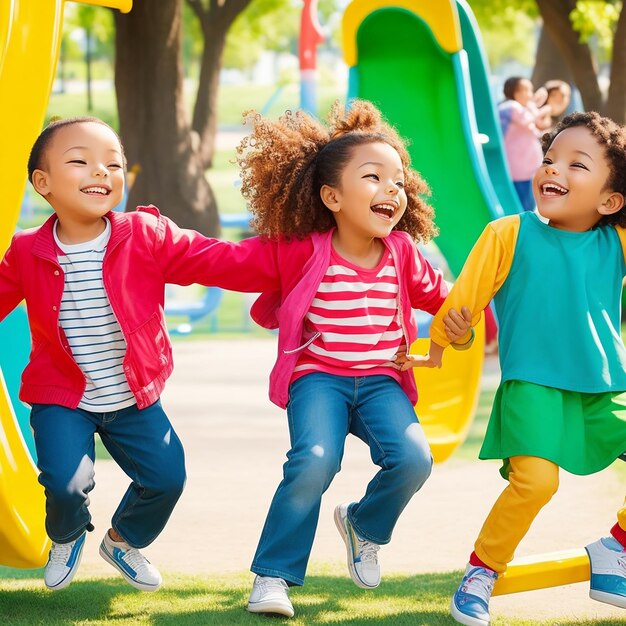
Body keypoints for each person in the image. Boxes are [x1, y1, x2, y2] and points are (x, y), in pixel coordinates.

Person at [227, 100, 473, 618]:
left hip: (382, 382)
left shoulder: (403, 252)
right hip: (320, 380)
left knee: (413, 460)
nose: (392, 189)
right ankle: (272, 577)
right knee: (315, 461)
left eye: (399, 181)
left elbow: (447, 301)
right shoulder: (302, 249)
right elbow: (225, 261)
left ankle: (364, 525)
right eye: (374, 177)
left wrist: (470, 325)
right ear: (332, 196)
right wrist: (159, 248)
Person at [0, 117, 260, 592]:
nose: (101, 172)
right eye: (80, 162)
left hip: (133, 396)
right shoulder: (26, 251)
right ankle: (67, 534)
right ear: (43, 183)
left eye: (112, 164)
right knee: (64, 485)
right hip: (62, 397)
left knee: (167, 478)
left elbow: (219, 259)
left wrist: (289, 256)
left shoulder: (145, 234)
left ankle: (122, 540)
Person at [411, 111, 626, 625]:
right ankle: (481, 572)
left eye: (578, 164)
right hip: (532, 384)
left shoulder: (615, 242)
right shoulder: (509, 234)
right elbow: (462, 308)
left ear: (610, 201)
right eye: (550, 158)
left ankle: (616, 547)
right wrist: (450, 335)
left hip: (605, 385)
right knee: (536, 484)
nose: (553, 169)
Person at [498, 77, 550, 212]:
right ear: (513, 92)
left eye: (530, 90)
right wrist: (544, 109)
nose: (529, 94)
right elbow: (528, 120)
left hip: (528, 169)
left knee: (528, 205)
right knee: (522, 207)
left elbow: (535, 128)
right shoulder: (510, 106)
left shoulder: (521, 108)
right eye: (525, 90)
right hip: (519, 170)